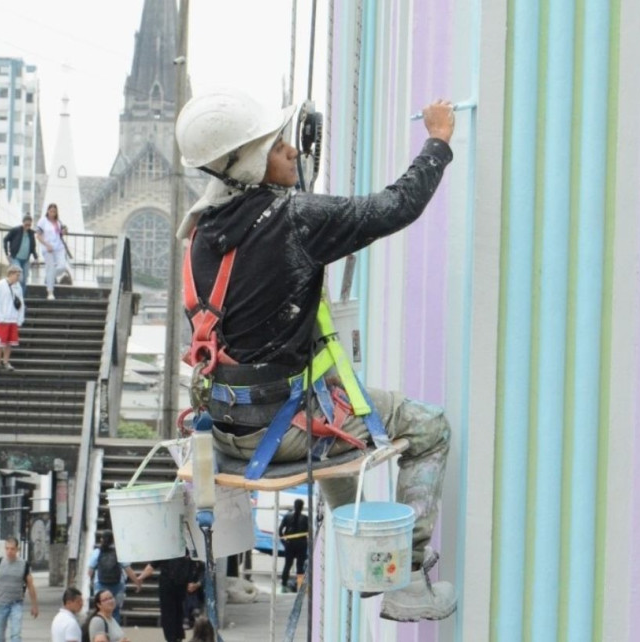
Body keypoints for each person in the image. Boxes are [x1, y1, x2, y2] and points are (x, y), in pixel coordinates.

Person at [175, 89, 457, 622]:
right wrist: (437, 141)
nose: (291, 151)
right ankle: (408, 578)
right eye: (276, 146)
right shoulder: (295, 220)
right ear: (250, 163)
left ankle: (370, 564)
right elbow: (395, 206)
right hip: (279, 429)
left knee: (334, 434)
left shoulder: (201, 235)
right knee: (428, 428)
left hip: (223, 428)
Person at [0, 536, 40, 641]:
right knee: (0, 636)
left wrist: (34, 605)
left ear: (17, 549)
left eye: (12, 549)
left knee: (16, 634)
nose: (9, 551)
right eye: (7, 548)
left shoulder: (24, 565)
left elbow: (30, 585)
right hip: (1, 603)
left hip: (16, 603)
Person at [137, 552, 203, 642]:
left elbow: (151, 566)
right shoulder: (183, 550)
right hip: (177, 586)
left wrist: (140, 578)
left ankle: (174, 638)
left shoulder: (168, 551)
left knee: (171, 614)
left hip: (172, 586)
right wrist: (140, 578)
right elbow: (152, 566)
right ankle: (176, 637)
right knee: (176, 613)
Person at [87, 531, 141, 624]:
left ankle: (103, 628)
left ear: (101, 540)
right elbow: (128, 570)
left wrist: (90, 583)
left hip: (100, 585)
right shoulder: (119, 553)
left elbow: (89, 572)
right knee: (115, 609)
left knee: (101, 609)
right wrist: (137, 582)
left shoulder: (97, 553)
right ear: (113, 540)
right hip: (117, 585)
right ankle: (115, 630)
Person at [0, 264, 25, 372]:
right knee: (0, 340)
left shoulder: (18, 287)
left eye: (19, 275)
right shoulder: (0, 285)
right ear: (10, 274)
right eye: (17, 275)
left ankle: (6, 361)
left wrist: (20, 317)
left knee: (9, 342)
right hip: (2, 318)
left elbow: (21, 303)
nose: (18, 278)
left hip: (13, 317)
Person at [35, 203, 70, 300]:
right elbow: (38, 235)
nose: (52, 213)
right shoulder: (43, 221)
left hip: (59, 248)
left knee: (62, 266)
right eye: (51, 211)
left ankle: (48, 277)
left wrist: (64, 231)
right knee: (50, 268)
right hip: (48, 249)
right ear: (48, 211)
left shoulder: (58, 222)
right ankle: (50, 292)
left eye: (54, 211)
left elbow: (61, 232)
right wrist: (47, 245)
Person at [278, 498, 309, 593]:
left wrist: (284, 542)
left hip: (289, 544)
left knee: (287, 565)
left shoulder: (287, 517)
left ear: (294, 506)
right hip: (301, 544)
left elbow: (280, 531)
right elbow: (310, 531)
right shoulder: (305, 518)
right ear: (302, 507)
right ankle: (300, 587)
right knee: (300, 566)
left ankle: (283, 585)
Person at [3, 214, 39, 293]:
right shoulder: (16, 230)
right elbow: (5, 239)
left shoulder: (31, 233)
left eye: (29, 225)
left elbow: (33, 247)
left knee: (24, 279)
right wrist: (7, 253)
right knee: (20, 277)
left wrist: (36, 257)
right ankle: (15, 294)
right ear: (23, 223)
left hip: (25, 260)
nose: (27, 226)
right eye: (26, 224)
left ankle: (21, 298)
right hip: (15, 258)